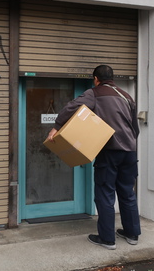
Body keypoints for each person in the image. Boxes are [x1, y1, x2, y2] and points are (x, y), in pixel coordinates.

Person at [46, 65, 141, 250]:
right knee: (128, 193)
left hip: (109, 151)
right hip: (130, 152)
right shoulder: (126, 95)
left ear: (96, 79)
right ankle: (132, 233)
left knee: (105, 194)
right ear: (112, 78)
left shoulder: (95, 93)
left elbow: (71, 107)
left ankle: (107, 239)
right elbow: (134, 127)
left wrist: (57, 126)